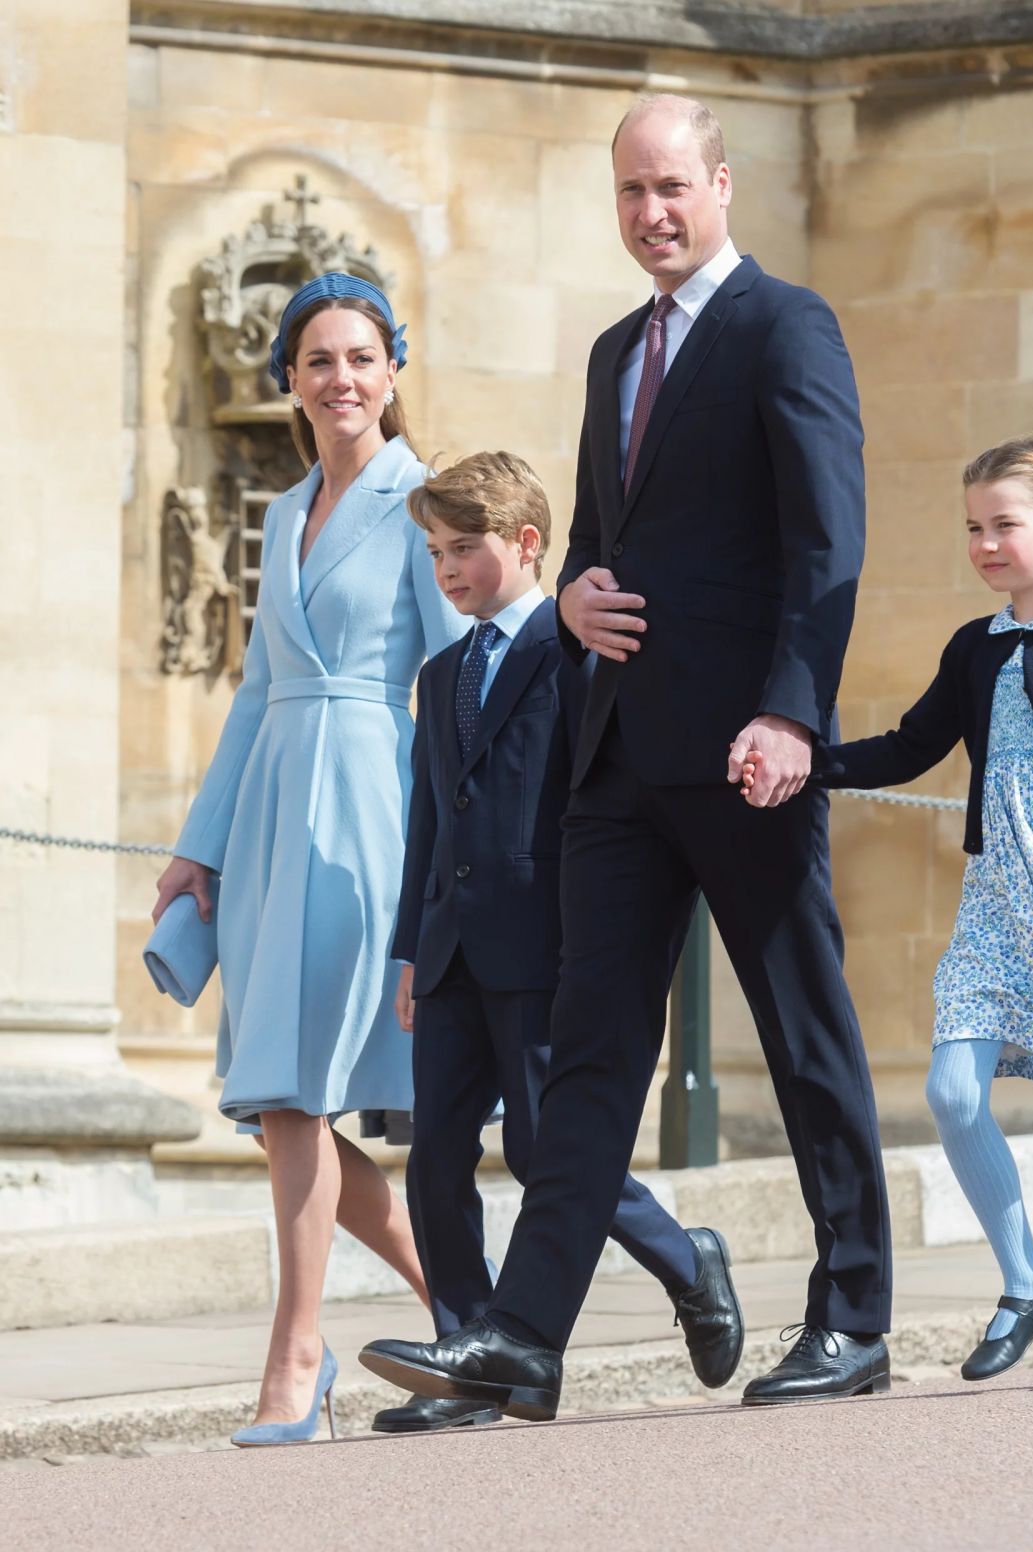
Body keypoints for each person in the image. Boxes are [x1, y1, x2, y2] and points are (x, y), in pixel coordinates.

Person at [360, 93, 893, 1420]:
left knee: (803, 1031)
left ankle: (856, 1315)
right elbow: (598, 536)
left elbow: (827, 545)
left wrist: (792, 715)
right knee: (588, 1058)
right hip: (614, 768)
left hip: (743, 755)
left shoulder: (787, 327)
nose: (651, 214)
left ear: (719, 184)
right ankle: (526, 1337)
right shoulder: (613, 354)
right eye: (629, 194)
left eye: (672, 188)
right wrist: (582, 600)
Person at [771, 434, 1033, 1387]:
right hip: (997, 896)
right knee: (953, 1095)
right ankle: (1029, 1282)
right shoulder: (976, 646)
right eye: (974, 527)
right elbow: (911, 747)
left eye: (1006, 524)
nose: (987, 543)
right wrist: (808, 759)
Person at [150, 273, 468, 1445]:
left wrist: (456, 851)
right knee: (285, 1094)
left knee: (302, 1090)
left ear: (393, 373)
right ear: (289, 378)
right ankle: (459, 1312)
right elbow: (250, 693)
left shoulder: (423, 501)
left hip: (372, 816)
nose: (342, 378)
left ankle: (297, 1355)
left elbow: (453, 684)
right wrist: (199, 849)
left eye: (363, 357)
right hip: (277, 816)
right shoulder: (283, 516)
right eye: (319, 358)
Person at [363, 451, 743, 1432]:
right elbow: (427, 822)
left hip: (547, 947)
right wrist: (410, 946)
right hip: (450, 951)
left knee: (543, 1150)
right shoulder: (440, 673)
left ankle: (685, 1255)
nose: (446, 569)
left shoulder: (576, 658)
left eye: (464, 549)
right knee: (435, 1162)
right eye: (435, 552)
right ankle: (469, 1364)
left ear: (527, 544)